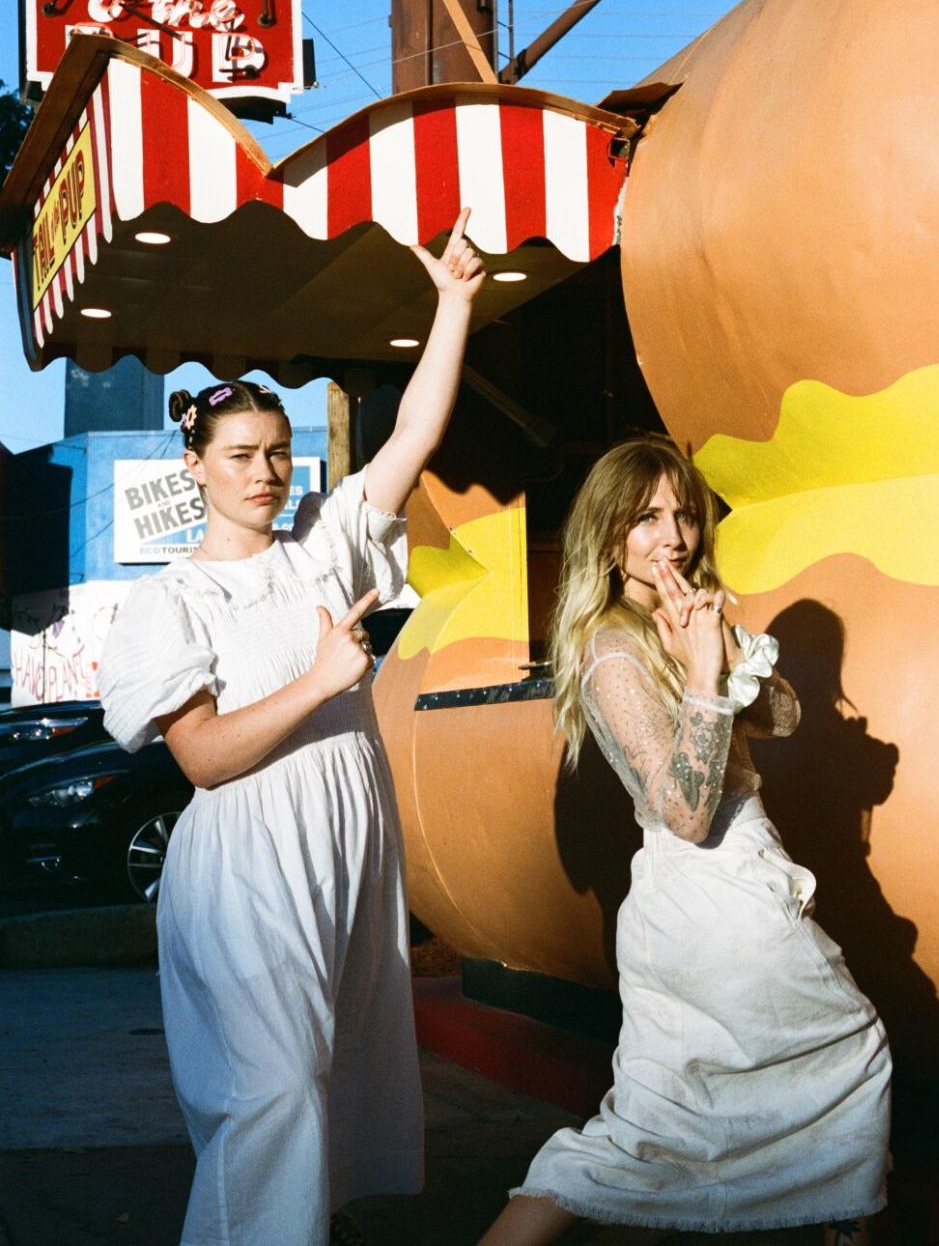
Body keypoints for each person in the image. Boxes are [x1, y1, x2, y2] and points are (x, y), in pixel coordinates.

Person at [98, 212, 485, 1246]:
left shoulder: (324, 549)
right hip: (245, 866)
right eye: (239, 455)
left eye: (276, 453)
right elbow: (206, 758)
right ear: (196, 466)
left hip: (344, 853)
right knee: (272, 1099)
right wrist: (320, 681)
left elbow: (414, 439)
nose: (264, 473)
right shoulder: (168, 602)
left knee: (332, 1089)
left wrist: (453, 304)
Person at [479, 436, 891, 1246]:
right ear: (608, 530)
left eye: (684, 515)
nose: (672, 537)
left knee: (651, 1129)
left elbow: (783, 719)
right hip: (708, 895)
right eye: (646, 517)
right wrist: (700, 675)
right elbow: (688, 810)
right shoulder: (611, 646)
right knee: (850, 1053)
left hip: (725, 886)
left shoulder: (667, 620)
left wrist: (726, 652)